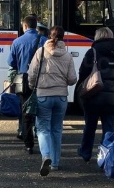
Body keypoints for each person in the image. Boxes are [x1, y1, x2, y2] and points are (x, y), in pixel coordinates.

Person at [27, 25, 77, 176]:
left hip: (43, 96)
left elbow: (32, 74)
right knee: (57, 129)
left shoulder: (41, 52)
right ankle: (55, 163)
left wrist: (32, 86)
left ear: (49, 35)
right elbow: (72, 79)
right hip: (61, 97)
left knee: (43, 129)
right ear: (63, 37)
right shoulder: (67, 56)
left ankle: (46, 155)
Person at [76, 27, 114, 162]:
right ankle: (107, 156)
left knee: (90, 127)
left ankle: (86, 153)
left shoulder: (92, 52)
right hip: (112, 98)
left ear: (97, 36)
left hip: (93, 96)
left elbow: (83, 72)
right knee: (108, 128)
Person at [6, 15, 45, 153]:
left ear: (25, 26)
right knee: (41, 110)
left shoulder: (17, 41)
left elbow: (11, 63)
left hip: (23, 79)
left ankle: (28, 143)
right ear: (35, 26)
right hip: (42, 80)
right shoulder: (45, 41)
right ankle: (43, 142)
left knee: (25, 110)